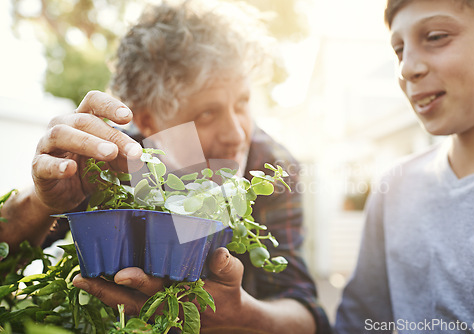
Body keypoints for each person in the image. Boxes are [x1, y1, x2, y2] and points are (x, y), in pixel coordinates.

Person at [0, 1, 330, 333]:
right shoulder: (103, 161)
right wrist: (42, 202)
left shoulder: (271, 168)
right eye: (207, 114)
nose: (237, 134)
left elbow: (306, 315)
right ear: (147, 120)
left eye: (242, 103)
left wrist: (241, 316)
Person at [333, 0, 474, 333]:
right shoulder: (395, 187)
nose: (406, 68)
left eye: (436, 36)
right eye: (398, 50)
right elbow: (359, 320)